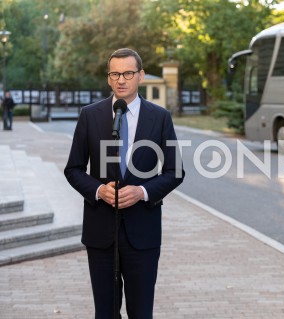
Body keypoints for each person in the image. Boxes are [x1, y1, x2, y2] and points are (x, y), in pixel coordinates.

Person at [64, 48, 184, 319]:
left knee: (141, 313)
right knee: (105, 313)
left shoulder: (160, 118)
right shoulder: (90, 115)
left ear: (140, 76)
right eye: (115, 73)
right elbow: (73, 169)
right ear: (108, 78)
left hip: (143, 233)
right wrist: (98, 189)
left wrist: (142, 192)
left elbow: (175, 171)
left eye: (128, 73)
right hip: (100, 233)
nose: (121, 79)